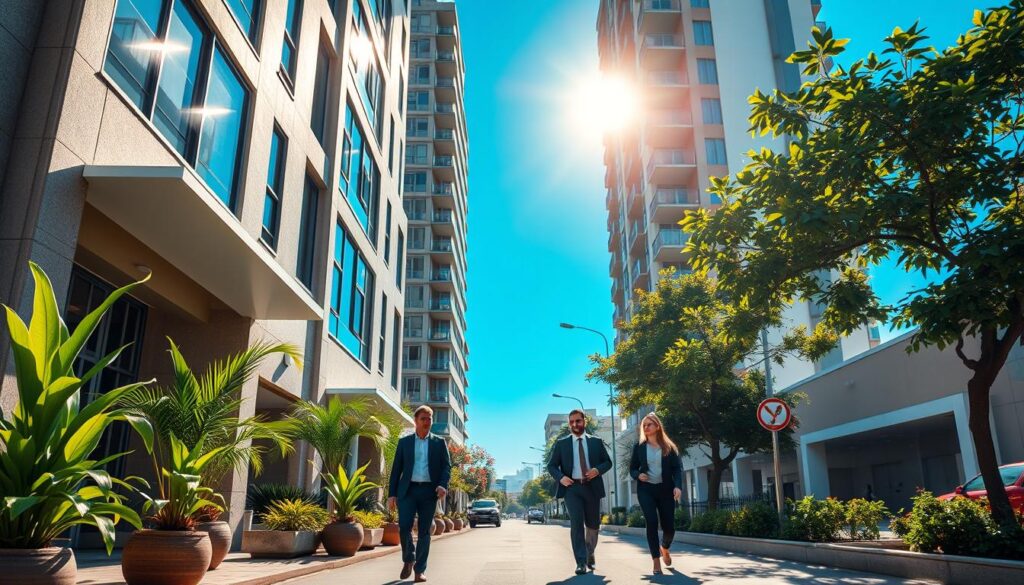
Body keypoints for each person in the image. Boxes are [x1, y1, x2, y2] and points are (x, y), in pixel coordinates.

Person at [388, 406, 451, 583]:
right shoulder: (404, 442)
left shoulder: (439, 443)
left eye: (429, 419)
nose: (427, 422)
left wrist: (442, 485)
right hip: (407, 491)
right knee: (404, 527)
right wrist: (392, 494)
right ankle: (409, 558)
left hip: (429, 492)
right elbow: (396, 470)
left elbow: (447, 467)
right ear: (415, 421)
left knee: (425, 531)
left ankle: (419, 570)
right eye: (423, 418)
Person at [547, 409, 612, 575]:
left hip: (592, 487)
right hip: (572, 488)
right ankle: (581, 562)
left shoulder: (596, 442)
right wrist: (561, 477)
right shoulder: (562, 444)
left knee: (593, 525)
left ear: (584, 421)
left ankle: (590, 552)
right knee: (576, 523)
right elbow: (551, 465)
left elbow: (608, 462)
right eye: (572, 422)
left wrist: (597, 470)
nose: (575, 424)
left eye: (578, 421)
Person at [630, 412, 682, 575]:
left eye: (649, 424)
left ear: (657, 426)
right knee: (651, 522)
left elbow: (677, 469)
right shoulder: (638, 447)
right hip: (646, 490)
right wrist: (638, 475)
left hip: (666, 490)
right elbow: (632, 468)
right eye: (644, 425)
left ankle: (664, 548)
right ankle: (656, 561)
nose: (646, 427)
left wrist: (678, 487)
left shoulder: (669, 447)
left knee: (669, 529)